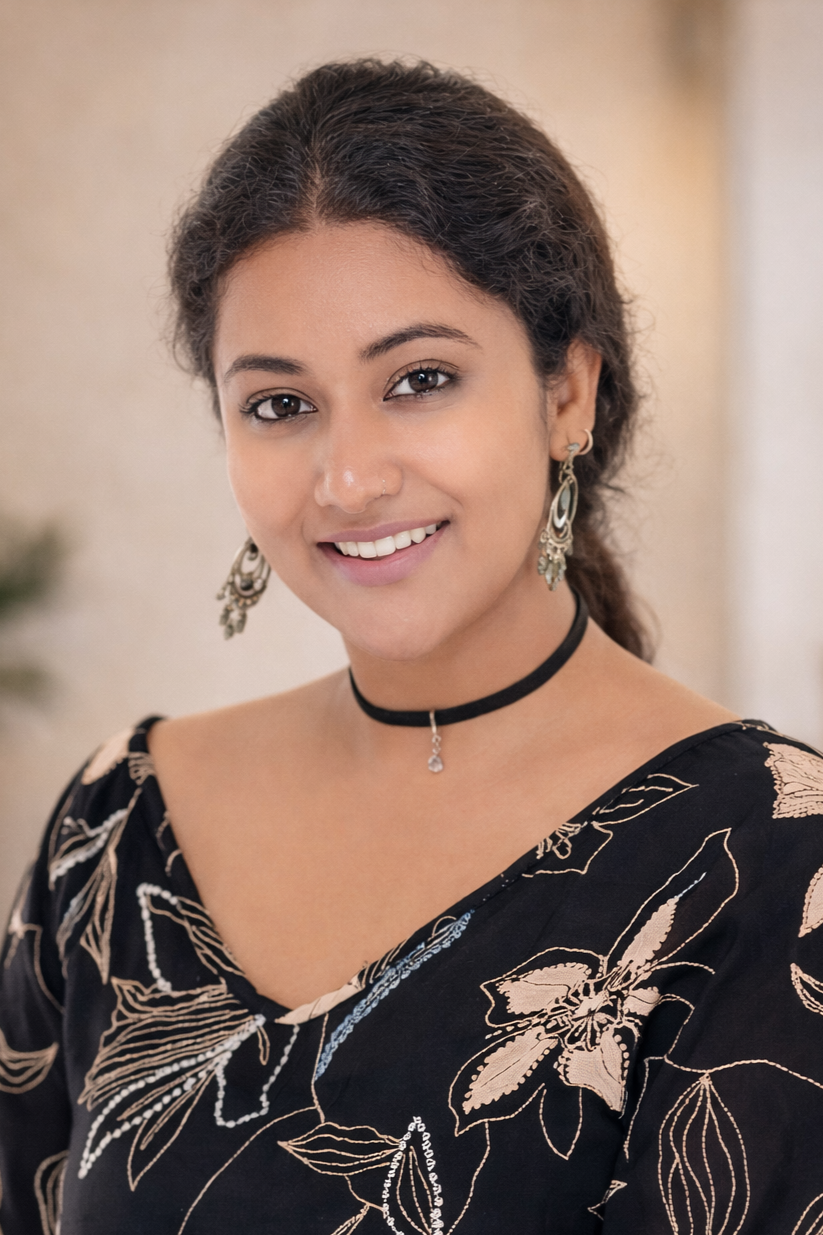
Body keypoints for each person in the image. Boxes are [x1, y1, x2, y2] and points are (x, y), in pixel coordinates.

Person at [2, 58, 823, 1235]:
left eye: (419, 379)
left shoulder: (768, 858)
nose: (347, 477)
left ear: (566, 396)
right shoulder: (118, 827)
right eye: (280, 404)